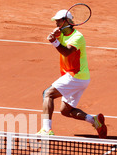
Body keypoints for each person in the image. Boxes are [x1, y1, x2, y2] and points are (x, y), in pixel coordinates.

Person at [37, 9, 107, 138]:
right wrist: (54, 35)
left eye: (58, 21)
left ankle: (46, 130)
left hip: (75, 76)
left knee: (47, 94)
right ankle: (94, 120)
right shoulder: (62, 33)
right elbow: (56, 36)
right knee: (65, 111)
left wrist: (54, 41)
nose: (56, 24)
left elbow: (66, 52)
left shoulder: (77, 37)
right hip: (80, 78)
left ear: (66, 21)